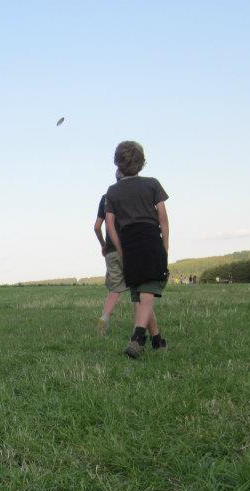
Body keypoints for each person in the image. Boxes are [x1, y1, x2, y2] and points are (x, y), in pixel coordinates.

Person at [104, 141, 169, 359]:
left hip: (128, 241)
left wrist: (121, 249)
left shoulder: (112, 191)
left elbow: (110, 224)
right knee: (147, 290)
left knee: (140, 295)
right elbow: (163, 217)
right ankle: (138, 337)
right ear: (142, 162)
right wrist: (165, 245)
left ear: (117, 163)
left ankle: (157, 341)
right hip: (150, 238)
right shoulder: (152, 184)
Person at [94, 190, 127, 336]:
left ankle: (104, 317)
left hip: (112, 251)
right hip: (130, 249)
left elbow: (97, 227)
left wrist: (103, 245)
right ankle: (141, 328)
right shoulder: (131, 193)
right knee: (139, 290)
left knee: (114, 289)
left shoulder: (106, 197)